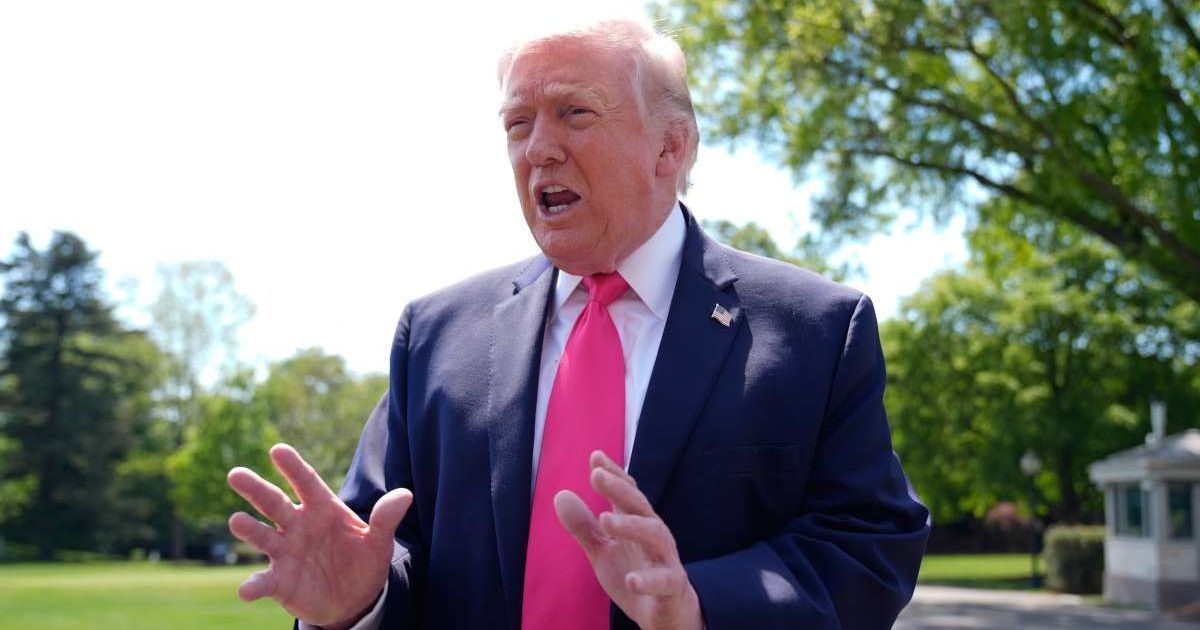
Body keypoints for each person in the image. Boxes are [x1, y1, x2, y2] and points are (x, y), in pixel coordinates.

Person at [226, 18, 930, 630]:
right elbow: (382, 546)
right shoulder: (435, 336)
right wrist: (357, 604)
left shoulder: (814, 329)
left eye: (574, 113)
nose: (538, 149)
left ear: (670, 147)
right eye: (517, 123)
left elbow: (868, 543)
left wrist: (700, 607)